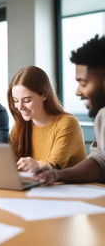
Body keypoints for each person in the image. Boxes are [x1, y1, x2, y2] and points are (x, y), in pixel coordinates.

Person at [35, 35, 105, 184]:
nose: (78, 92)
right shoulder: (102, 116)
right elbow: (100, 161)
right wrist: (57, 175)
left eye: (83, 83)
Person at [7, 66, 86, 172]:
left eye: (26, 100)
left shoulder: (67, 124)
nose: (19, 107)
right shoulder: (19, 126)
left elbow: (53, 165)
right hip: (39, 186)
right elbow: (9, 163)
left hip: (69, 186)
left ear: (44, 95)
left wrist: (37, 165)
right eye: (16, 100)